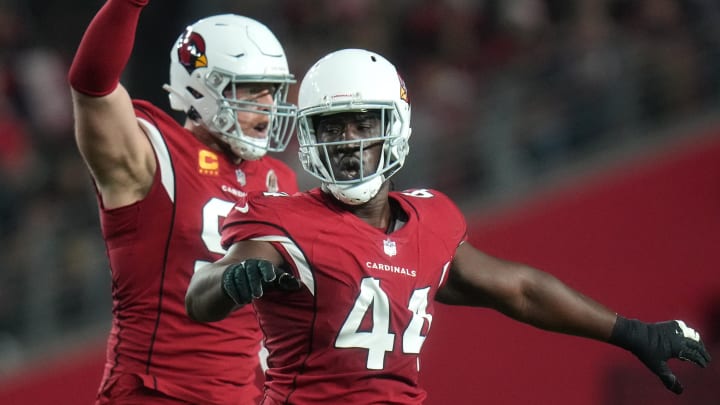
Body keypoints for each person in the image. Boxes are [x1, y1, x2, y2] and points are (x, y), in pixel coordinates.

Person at [184, 48, 711, 404]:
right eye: (332, 127)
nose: (348, 141)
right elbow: (202, 294)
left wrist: (631, 332)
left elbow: (521, 290)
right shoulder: (284, 222)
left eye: (364, 123)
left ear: (395, 128)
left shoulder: (430, 219)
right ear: (308, 136)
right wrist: (228, 282)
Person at [68, 1, 299, 404]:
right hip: (154, 392)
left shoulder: (279, 179)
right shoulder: (156, 152)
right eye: (249, 90)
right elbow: (92, 84)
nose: (266, 105)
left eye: (273, 91)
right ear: (201, 87)